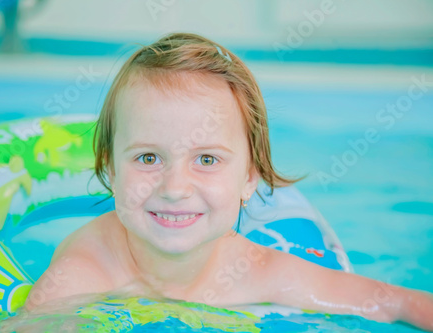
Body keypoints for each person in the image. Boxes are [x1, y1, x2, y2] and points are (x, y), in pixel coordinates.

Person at [25, 32, 433, 331]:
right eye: (148, 157)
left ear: (250, 178)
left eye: (206, 159)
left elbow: (396, 303)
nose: (174, 187)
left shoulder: (257, 271)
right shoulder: (83, 274)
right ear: (110, 170)